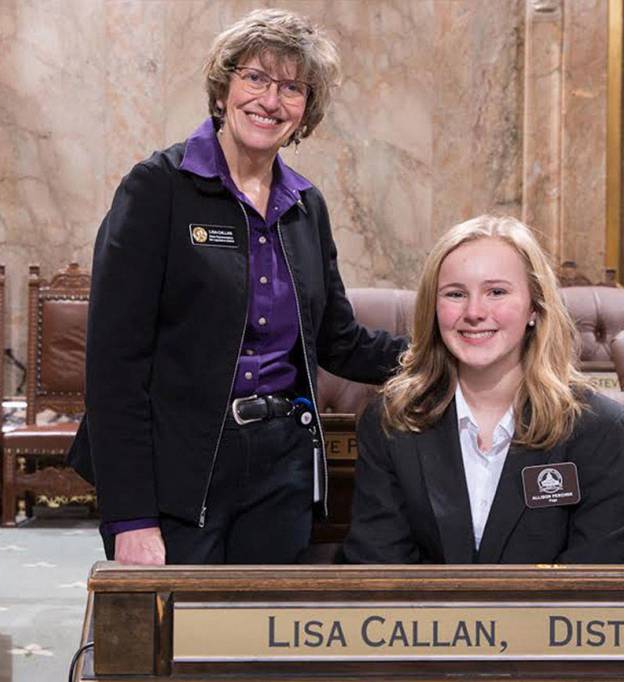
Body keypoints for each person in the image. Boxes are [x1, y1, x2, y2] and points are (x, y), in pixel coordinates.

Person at [67, 8, 406, 565]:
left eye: (292, 88)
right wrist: (131, 517)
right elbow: (114, 367)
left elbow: (339, 341)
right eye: (255, 78)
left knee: (263, 621)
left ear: (306, 111)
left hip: (283, 470)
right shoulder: (157, 188)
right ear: (223, 88)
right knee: (178, 622)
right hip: (180, 469)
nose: (270, 101)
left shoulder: (306, 206)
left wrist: (441, 353)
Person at [341, 216, 624, 564]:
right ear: (433, 309)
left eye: (497, 292)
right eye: (455, 294)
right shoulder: (391, 422)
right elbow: (379, 567)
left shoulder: (607, 432)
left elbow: (599, 582)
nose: (474, 312)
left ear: (534, 307)